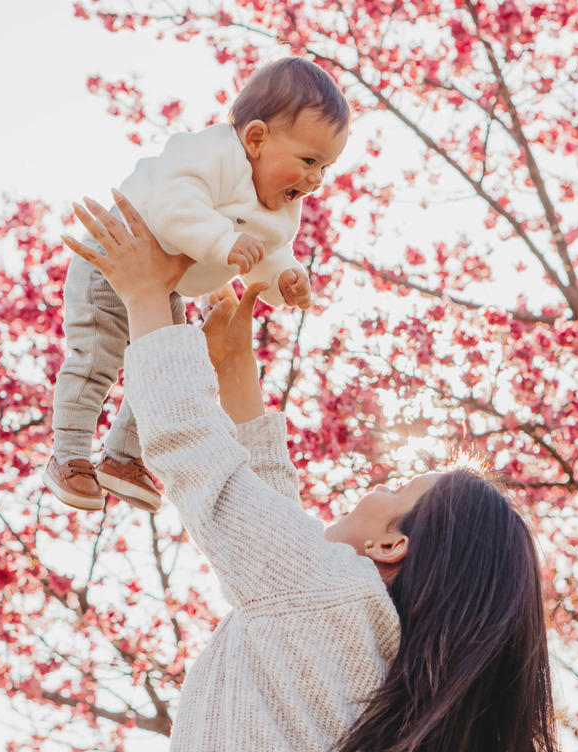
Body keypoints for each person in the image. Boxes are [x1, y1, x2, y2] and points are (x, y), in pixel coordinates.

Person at [62, 192, 565, 752]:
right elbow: (274, 541)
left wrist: (146, 297)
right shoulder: (372, 655)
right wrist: (237, 377)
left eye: (401, 487)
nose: (380, 485)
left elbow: (208, 471)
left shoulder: (330, 595)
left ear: (391, 543)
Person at [44, 57, 350, 514]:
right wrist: (223, 240)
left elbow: (267, 254)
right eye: (309, 160)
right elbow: (174, 205)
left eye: (325, 168)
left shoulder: (281, 210)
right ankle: (68, 455)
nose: (315, 180)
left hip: (164, 286)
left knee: (166, 365)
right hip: (114, 258)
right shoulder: (211, 154)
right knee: (97, 359)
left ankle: (122, 457)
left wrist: (283, 281)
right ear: (257, 138)